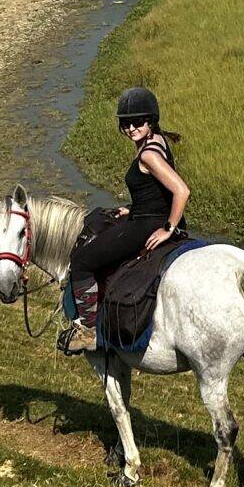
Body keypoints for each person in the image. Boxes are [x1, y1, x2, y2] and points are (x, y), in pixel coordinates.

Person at [57, 86, 188, 355]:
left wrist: (168, 228)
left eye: (137, 122)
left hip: (148, 225)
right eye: (125, 123)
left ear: (150, 121)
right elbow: (155, 191)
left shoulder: (148, 154)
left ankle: (89, 330)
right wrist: (134, 207)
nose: (131, 128)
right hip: (144, 214)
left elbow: (181, 190)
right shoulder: (159, 141)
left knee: (82, 261)